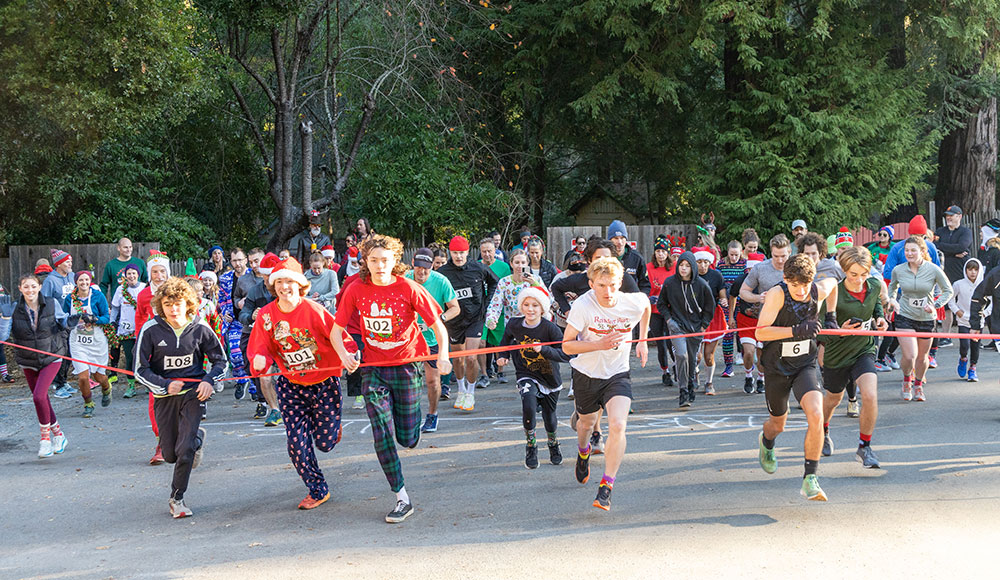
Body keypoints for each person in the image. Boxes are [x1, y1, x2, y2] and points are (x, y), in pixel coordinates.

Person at [331, 234, 453, 524]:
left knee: (408, 439)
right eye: (373, 260)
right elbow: (336, 330)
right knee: (381, 433)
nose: (379, 266)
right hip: (373, 368)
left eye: (384, 260)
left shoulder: (409, 288)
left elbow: (438, 326)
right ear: (366, 262)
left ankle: (412, 429)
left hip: (406, 365)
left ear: (394, 261)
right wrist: (345, 355)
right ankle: (401, 496)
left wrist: (443, 355)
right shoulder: (355, 289)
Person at [248, 257, 350, 510]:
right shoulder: (267, 316)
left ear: (300, 285)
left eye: (290, 281)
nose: (284, 287)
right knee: (296, 443)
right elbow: (259, 345)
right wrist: (260, 358)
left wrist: (350, 354)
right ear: (273, 286)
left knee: (325, 443)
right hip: (290, 385)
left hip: (324, 382)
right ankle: (317, 489)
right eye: (279, 282)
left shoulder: (313, 311)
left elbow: (339, 336)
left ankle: (330, 428)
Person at [135, 278, 227, 518]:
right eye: (168, 304)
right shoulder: (151, 330)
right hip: (164, 397)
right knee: (170, 455)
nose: (173, 309)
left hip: (193, 395)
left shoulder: (200, 327)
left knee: (184, 450)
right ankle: (197, 439)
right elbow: (139, 370)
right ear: (160, 305)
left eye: (178, 304)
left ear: (188, 304)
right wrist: (165, 385)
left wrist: (209, 381)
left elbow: (221, 362)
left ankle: (177, 499)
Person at [563, 257, 650, 511]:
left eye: (612, 285)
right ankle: (582, 452)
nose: (608, 292)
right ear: (591, 284)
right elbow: (567, 345)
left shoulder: (631, 301)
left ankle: (606, 485)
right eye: (601, 285)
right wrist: (597, 345)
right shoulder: (583, 306)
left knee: (618, 424)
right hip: (586, 374)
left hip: (617, 373)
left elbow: (646, 307)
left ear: (620, 282)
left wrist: (642, 340)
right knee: (586, 424)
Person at [755, 254, 839, 501]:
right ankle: (767, 442)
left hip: (805, 364)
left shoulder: (817, 290)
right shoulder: (777, 294)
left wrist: (831, 316)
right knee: (777, 424)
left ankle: (810, 478)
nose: (801, 291)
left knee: (816, 413)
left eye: (805, 285)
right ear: (785, 279)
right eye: (795, 286)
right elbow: (760, 332)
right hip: (777, 367)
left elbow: (833, 284)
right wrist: (795, 330)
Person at [819, 247, 889, 469]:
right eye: (853, 275)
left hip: (863, 349)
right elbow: (819, 332)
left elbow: (875, 303)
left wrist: (880, 318)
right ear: (844, 271)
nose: (859, 280)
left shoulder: (875, 285)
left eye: (864, 274)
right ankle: (823, 430)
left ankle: (864, 446)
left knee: (869, 394)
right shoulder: (833, 293)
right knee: (833, 399)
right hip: (837, 354)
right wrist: (840, 329)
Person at [496, 284, 571, 469]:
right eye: (527, 304)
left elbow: (565, 354)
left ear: (542, 308)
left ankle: (553, 444)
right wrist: (502, 356)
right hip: (525, 373)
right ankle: (531, 446)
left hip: (549, 377)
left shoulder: (550, 328)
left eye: (535, 305)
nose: (530, 309)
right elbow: (504, 342)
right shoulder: (514, 324)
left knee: (549, 416)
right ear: (521, 306)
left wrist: (544, 349)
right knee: (528, 405)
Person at [0, 275, 68, 458]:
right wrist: (5, 318)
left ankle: (45, 440)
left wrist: (67, 323)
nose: (30, 290)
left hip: (50, 357)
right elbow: (4, 337)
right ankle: (59, 435)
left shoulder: (52, 303)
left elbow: (63, 321)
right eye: (26, 287)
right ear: (20, 289)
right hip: (28, 360)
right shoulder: (14, 308)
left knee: (38, 396)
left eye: (33, 286)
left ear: (39, 287)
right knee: (42, 398)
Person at [887, 236, 953, 402]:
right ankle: (906, 380)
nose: (909, 253)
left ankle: (918, 385)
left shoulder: (933, 269)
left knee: (922, 357)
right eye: (907, 250)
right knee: (910, 355)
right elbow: (892, 287)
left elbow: (948, 291)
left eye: (913, 250)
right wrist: (892, 300)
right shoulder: (899, 270)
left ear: (922, 251)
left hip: (926, 317)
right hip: (905, 315)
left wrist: (936, 305)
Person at [437, 235, 499, 408]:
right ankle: (461, 390)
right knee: (458, 359)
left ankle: (471, 392)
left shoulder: (478, 267)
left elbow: (495, 282)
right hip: (454, 321)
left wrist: (487, 305)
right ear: (450, 252)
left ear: (467, 252)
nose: (458, 257)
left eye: (462, 253)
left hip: (475, 318)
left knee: (471, 357)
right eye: (455, 253)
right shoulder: (443, 273)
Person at [405, 248, 460, 432]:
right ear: (413, 263)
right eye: (418, 267)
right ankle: (410, 415)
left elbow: (455, 308)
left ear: (431, 267)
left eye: (426, 269)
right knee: (409, 382)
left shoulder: (441, 281)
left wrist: (437, 321)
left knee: (432, 381)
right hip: (408, 340)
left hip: (432, 339)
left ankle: (432, 414)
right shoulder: (404, 279)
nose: (421, 272)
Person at [657, 251, 715, 407]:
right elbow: (661, 304)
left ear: (692, 268)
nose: (683, 269)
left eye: (687, 266)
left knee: (691, 358)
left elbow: (710, 307)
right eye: (681, 265)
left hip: (696, 328)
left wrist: (703, 326)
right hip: (677, 326)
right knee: (681, 355)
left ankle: (690, 384)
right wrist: (669, 320)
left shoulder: (701, 285)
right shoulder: (670, 283)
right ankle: (682, 391)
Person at [739, 234, 794, 394]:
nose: (780, 260)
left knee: (788, 364)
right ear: (770, 253)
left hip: (791, 323)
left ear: (789, 251)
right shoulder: (760, 269)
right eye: (776, 256)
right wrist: (759, 297)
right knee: (767, 360)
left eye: (783, 256)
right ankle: (769, 390)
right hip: (768, 324)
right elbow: (743, 292)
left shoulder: (797, 268)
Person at [135, 250, 171, 464]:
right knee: (155, 397)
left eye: (162, 271)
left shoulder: (176, 291)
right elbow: (140, 320)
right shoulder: (143, 295)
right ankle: (161, 442)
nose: (159, 276)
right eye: (155, 272)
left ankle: (185, 439)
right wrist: (144, 346)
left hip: (178, 351)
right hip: (154, 352)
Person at [240, 253, 283, 425]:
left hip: (283, 337)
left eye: (270, 276)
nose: (266, 280)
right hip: (259, 336)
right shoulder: (255, 290)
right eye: (264, 276)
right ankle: (274, 409)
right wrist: (251, 316)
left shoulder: (286, 290)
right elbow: (242, 315)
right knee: (263, 375)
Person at [64, 270, 113, 418]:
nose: (84, 283)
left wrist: (95, 319)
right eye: (81, 280)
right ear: (76, 282)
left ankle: (106, 387)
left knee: (99, 376)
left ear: (90, 281)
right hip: (78, 342)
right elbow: (64, 317)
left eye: (87, 280)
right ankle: (88, 403)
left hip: (97, 342)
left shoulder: (98, 296)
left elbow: (106, 317)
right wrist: (70, 321)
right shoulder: (69, 299)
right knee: (83, 376)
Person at [40, 248, 77, 399]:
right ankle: (58, 385)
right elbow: (44, 301)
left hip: (72, 321)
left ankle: (64, 381)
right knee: (60, 354)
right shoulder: (50, 280)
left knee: (69, 353)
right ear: (59, 264)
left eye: (70, 261)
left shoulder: (73, 276)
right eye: (67, 262)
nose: (70, 264)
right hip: (57, 323)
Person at [935, 205, 973, 345]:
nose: (949, 218)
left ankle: (970, 333)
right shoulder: (940, 231)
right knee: (945, 304)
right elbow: (935, 246)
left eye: (952, 215)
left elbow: (962, 246)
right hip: (944, 271)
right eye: (947, 215)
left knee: (963, 301)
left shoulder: (965, 232)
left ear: (959, 216)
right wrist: (953, 253)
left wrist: (944, 248)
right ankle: (946, 336)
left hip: (960, 271)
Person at [218, 248, 252, 401]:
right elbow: (222, 299)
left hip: (252, 321)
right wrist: (224, 312)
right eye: (234, 261)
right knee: (236, 354)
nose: (238, 264)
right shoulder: (225, 278)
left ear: (246, 259)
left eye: (240, 260)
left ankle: (255, 388)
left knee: (252, 355)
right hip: (235, 322)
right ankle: (241, 380)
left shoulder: (253, 276)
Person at [479, 238, 512, 385]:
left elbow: (506, 288)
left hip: (498, 310)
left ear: (495, 251)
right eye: (484, 251)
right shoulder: (476, 266)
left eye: (489, 251)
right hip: (480, 311)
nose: (487, 254)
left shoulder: (503, 267)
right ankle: (484, 374)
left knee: (500, 343)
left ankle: (500, 371)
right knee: (481, 343)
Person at [109, 264, 146, 398]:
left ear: (138, 274)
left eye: (134, 273)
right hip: (126, 329)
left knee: (146, 356)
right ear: (125, 275)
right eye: (128, 273)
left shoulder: (144, 288)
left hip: (143, 328)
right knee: (130, 358)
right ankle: (131, 386)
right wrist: (112, 322)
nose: (131, 276)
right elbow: (115, 308)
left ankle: (148, 384)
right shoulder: (121, 289)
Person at [694, 247, 727, 395]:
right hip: (694, 317)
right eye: (699, 262)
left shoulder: (716, 275)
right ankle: (694, 374)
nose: (702, 265)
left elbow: (722, 293)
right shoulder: (690, 276)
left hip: (713, 317)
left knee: (708, 356)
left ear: (710, 262)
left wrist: (724, 299)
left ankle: (709, 382)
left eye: (705, 262)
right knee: (696, 355)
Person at [948, 259, 984, 382]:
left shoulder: (984, 284)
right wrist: (957, 311)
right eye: (970, 269)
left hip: (978, 321)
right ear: (966, 270)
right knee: (964, 345)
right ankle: (963, 359)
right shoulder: (958, 284)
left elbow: (991, 301)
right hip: (963, 320)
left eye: (975, 269)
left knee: (975, 346)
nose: (973, 272)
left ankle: (973, 369)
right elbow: (950, 299)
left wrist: (985, 313)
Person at [646, 237, 674, 386]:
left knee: (672, 341)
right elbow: (644, 286)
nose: (661, 254)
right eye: (658, 251)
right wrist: (649, 297)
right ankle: (665, 371)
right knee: (661, 343)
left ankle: (677, 366)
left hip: (670, 311)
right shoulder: (649, 267)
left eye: (663, 251)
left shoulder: (674, 267)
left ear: (668, 253)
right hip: (655, 311)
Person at [717, 241, 746, 378]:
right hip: (726, 303)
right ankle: (728, 366)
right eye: (731, 255)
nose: (734, 258)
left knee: (743, 335)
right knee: (727, 334)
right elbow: (718, 283)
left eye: (736, 255)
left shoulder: (745, 264)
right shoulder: (721, 264)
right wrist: (721, 297)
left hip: (742, 303)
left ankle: (747, 362)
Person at [607, 220, 651, 294]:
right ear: (610, 240)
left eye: (622, 238)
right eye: (616, 238)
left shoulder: (637, 258)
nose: (619, 242)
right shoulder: (605, 258)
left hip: (631, 302)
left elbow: (645, 285)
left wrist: (640, 300)